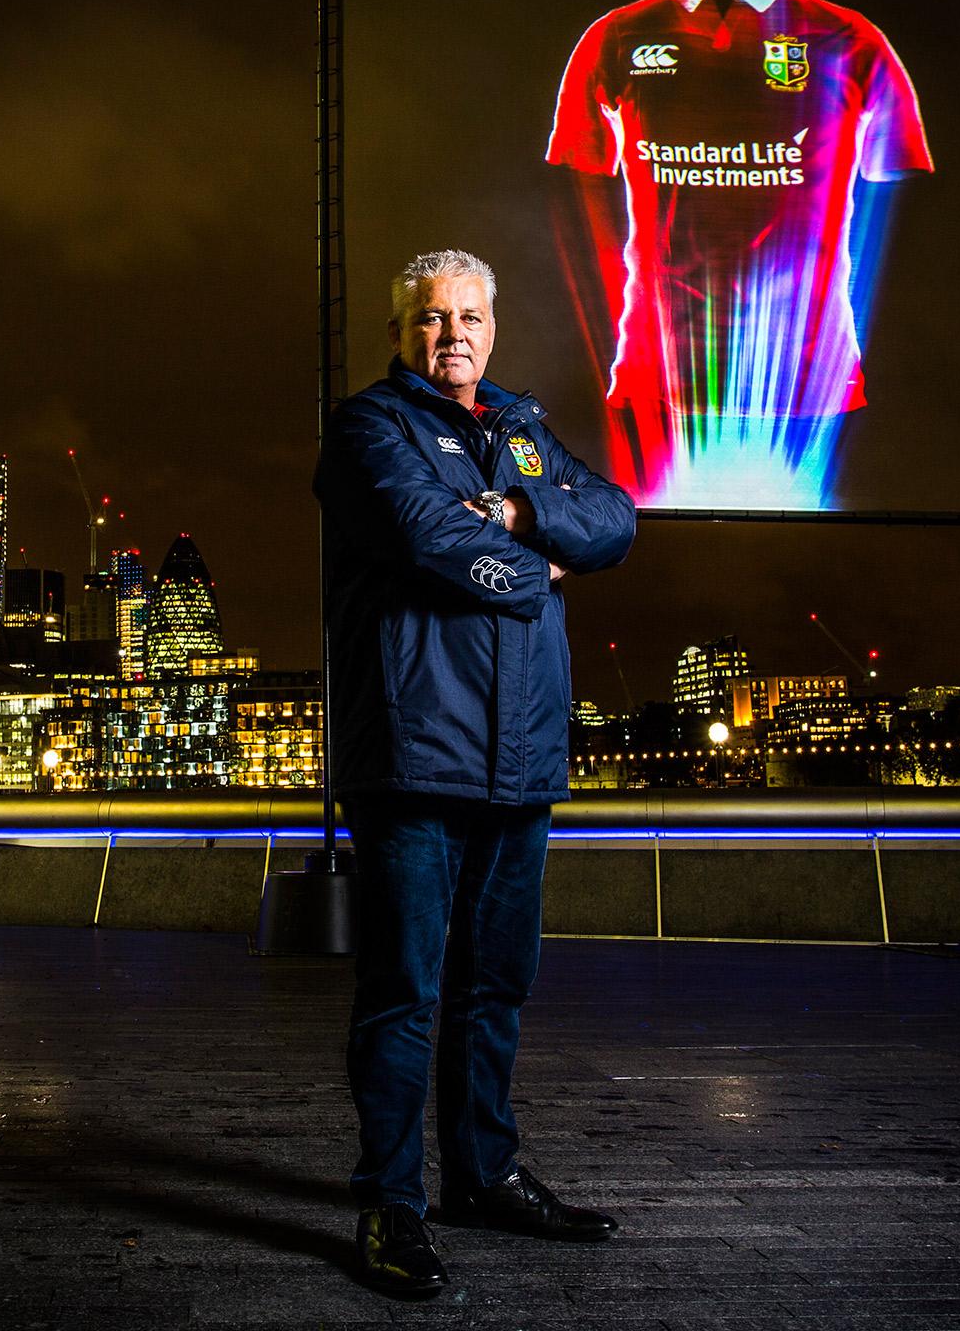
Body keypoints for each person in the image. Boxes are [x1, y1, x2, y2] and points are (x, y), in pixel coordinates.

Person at [314, 248, 638, 1298]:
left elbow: (616, 522)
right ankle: (390, 1204)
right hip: (415, 757)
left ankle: (483, 1173)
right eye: (426, 318)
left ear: (490, 328)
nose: (447, 332)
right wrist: (534, 569)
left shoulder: (522, 434)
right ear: (400, 331)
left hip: (522, 756)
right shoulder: (370, 429)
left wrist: (514, 516)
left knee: (493, 986)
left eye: (465, 315)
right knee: (403, 992)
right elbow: (420, 536)